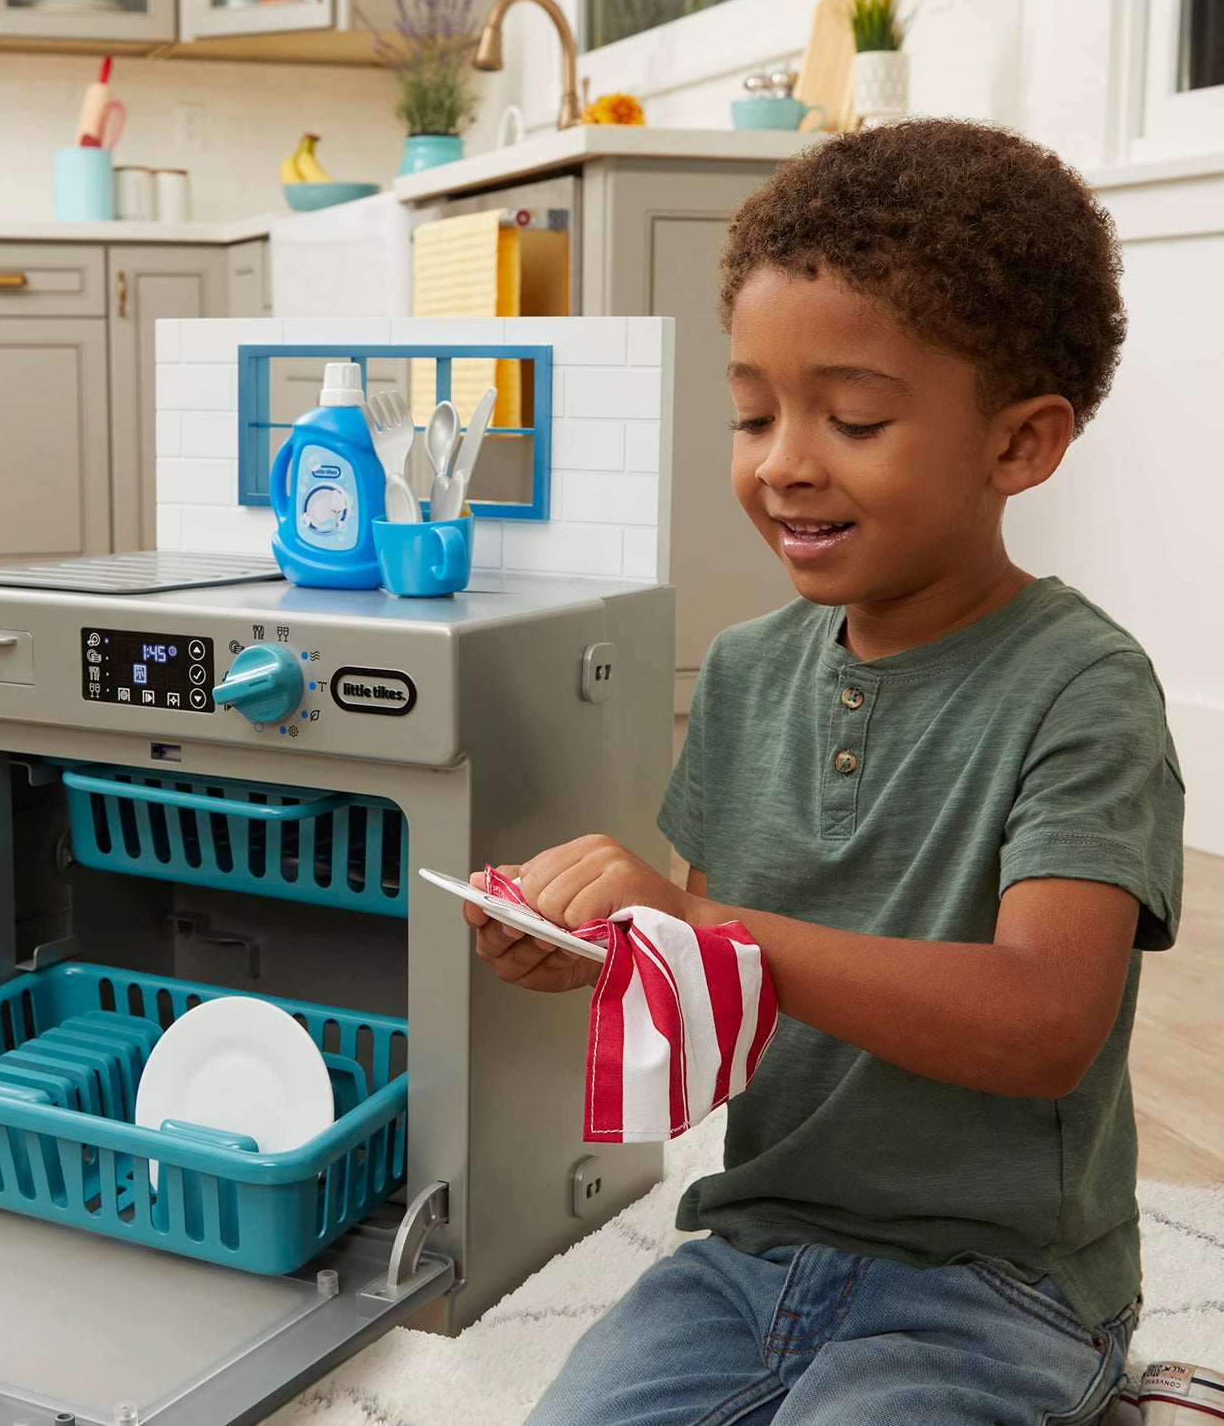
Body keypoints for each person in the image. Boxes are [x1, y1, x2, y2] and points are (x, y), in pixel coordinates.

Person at [464, 118, 1185, 1426]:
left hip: (1000, 1280)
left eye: (850, 417)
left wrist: (700, 923)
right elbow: (731, 985)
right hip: (754, 1249)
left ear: (1017, 445)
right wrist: (619, 949)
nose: (783, 458)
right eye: (753, 411)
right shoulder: (742, 671)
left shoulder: (1082, 687)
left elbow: (1039, 1024)